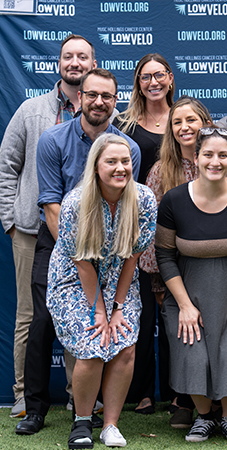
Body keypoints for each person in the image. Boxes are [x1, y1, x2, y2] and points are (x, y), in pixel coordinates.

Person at [15, 68, 141, 436]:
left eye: (107, 96)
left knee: (100, 331)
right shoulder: (53, 139)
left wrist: (101, 263)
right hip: (57, 242)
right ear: (79, 98)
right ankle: (34, 409)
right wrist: (76, 252)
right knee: (41, 324)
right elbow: (51, 204)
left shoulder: (126, 148)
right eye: (92, 95)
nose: (99, 102)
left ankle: (85, 412)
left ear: (115, 102)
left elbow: (129, 206)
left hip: (111, 254)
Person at [139, 96, 227, 428]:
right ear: (170, 131)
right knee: (186, 336)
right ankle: (185, 401)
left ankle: (223, 406)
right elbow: (152, 234)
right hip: (177, 272)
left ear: (206, 125)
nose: (185, 127)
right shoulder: (162, 170)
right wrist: (160, 282)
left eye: (192, 120)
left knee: (224, 336)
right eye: (177, 122)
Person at [0, 34, 96, 419]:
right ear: (58, 63)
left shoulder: (102, 111)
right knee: (29, 315)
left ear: (93, 63)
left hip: (88, 235)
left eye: (83, 57)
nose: (75, 62)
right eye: (68, 56)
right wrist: (12, 220)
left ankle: (79, 394)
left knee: (81, 311)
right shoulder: (30, 110)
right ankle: (23, 394)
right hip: (31, 231)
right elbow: (7, 167)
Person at [155, 127, 227, 442]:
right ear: (196, 157)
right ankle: (204, 417)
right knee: (194, 355)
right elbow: (164, 256)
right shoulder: (174, 200)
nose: (215, 161)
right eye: (208, 154)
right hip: (187, 292)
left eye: (222, 155)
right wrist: (185, 307)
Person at [46, 133, 157, 449]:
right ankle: (82, 422)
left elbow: (133, 257)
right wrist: (99, 311)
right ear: (96, 166)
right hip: (73, 281)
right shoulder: (75, 203)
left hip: (120, 279)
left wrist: (118, 306)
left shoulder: (144, 200)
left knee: (124, 344)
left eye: (125, 162)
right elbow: (81, 262)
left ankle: (110, 425)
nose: (121, 168)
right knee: (93, 339)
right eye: (112, 162)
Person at [113, 53, 174, 415]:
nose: (152, 82)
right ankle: (142, 393)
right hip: (133, 230)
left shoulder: (184, 119)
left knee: (171, 314)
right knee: (142, 315)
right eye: (145, 76)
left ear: (169, 78)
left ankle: (174, 391)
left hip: (175, 228)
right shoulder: (123, 125)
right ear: (138, 82)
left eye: (158, 75)